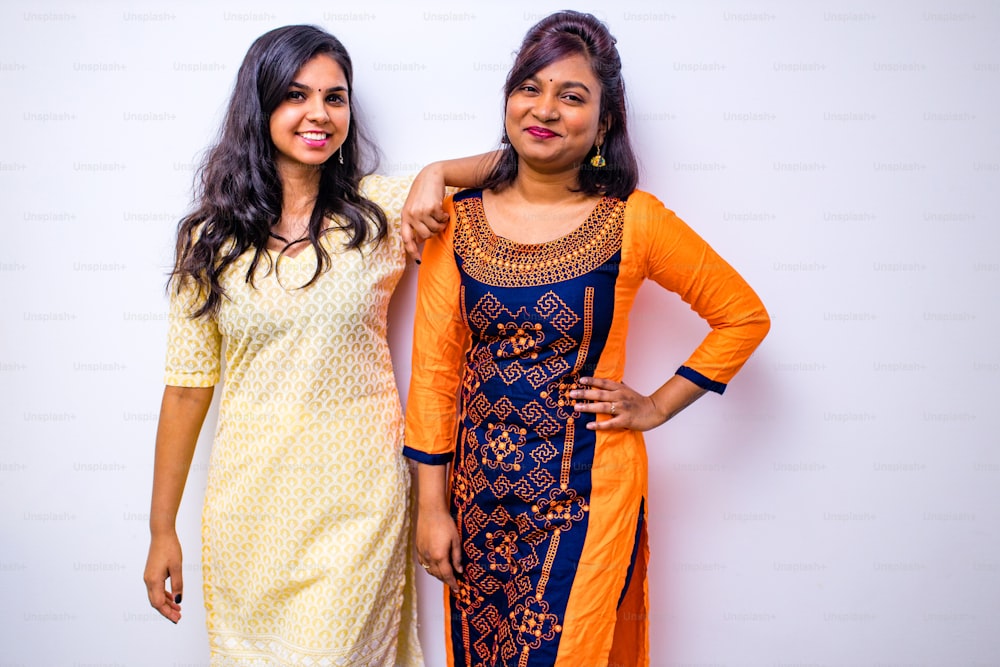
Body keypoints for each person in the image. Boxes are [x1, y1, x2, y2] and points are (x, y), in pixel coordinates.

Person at [404, 10, 771, 666]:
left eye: (571, 95)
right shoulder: (454, 223)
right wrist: (431, 507)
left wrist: (656, 406)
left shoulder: (633, 221)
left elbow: (742, 315)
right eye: (529, 88)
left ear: (603, 124)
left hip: (586, 492)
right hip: (478, 501)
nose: (544, 108)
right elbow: (434, 374)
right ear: (509, 100)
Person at [142, 24, 489, 666]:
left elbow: (514, 163)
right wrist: (162, 528)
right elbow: (188, 389)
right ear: (261, 105)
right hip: (249, 510)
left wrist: (437, 172)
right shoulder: (209, 240)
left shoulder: (379, 211)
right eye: (297, 95)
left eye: (336, 97)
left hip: (359, 504)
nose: (319, 114)